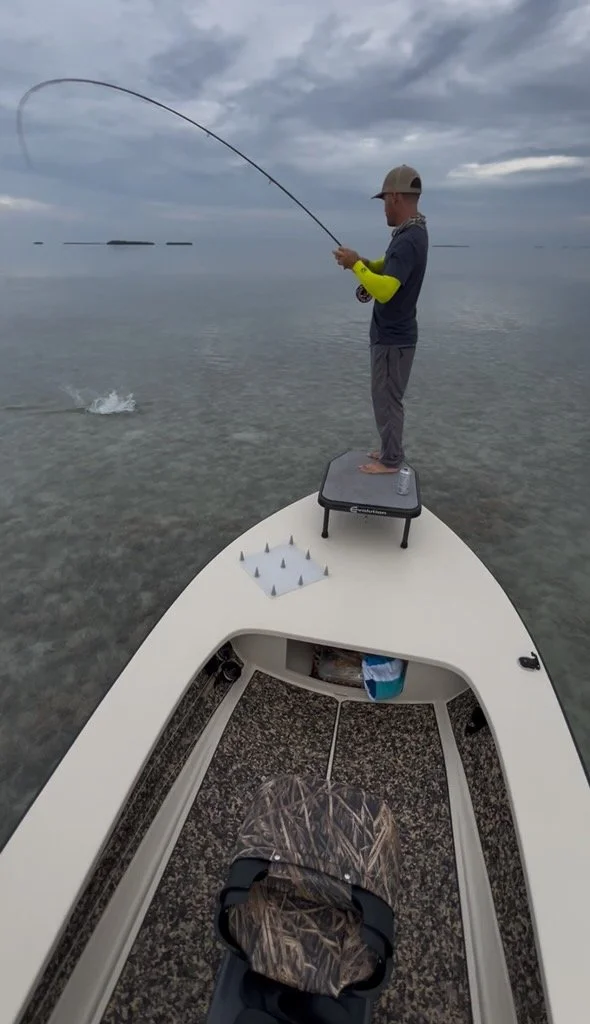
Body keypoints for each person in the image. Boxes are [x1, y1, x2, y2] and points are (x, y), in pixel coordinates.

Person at [333, 164, 428, 474]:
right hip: (395, 338)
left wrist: (354, 268)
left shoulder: (408, 239)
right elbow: (385, 265)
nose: (384, 207)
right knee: (386, 398)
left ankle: (391, 460)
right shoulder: (412, 233)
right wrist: (362, 261)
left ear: (396, 197)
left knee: (387, 400)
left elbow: (386, 290)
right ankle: (390, 450)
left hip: (393, 339)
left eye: (385, 200)